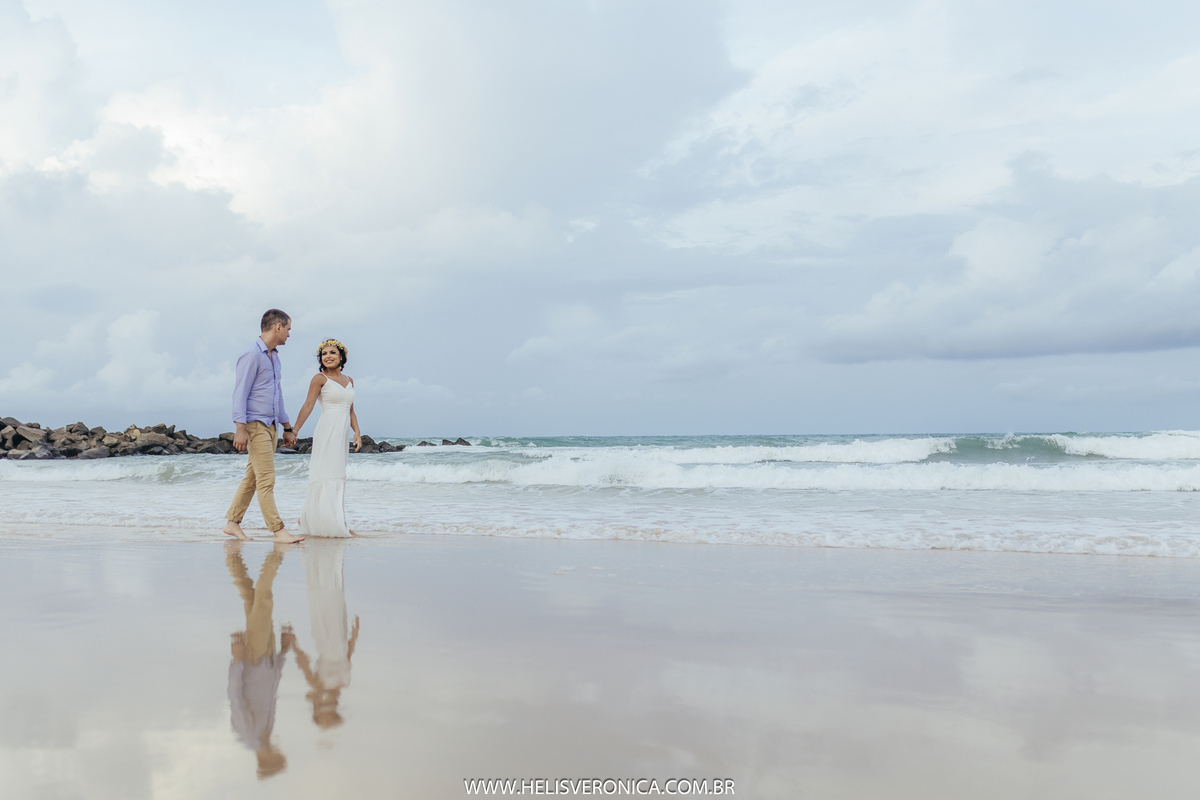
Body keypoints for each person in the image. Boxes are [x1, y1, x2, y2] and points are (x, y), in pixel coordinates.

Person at [223, 309, 303, 543]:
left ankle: (232, 523)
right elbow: (240, 394)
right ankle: (278, 531)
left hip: (271, 426)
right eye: (288, 329)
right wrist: (240, 428)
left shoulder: (274, 357)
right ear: (277, 327)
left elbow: (277, 394)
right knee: (267, 479)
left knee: (253, 477)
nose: (289, 334)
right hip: (254, 425)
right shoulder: (251, 355)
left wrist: (287, 427)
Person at [225, 541, 294, 779]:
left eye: (278, 756)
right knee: (252, 598)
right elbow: (272, 687)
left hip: (253, 656)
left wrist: (237, 659)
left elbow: (235, 694)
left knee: (262, 601)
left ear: (268, 760)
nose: (279, 750)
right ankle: (233, 560)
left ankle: (275, 556)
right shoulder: (265, 733)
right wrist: (283, 651)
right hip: (268, 655)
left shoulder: (247, 734)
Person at [292, 338, 362, 538]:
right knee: (325, 474)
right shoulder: (319, 379)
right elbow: (308, 405)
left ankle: (319, 518)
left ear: (341, 357)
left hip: (343, 432)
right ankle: (328, 521)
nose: (328, 356)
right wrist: (295, 430)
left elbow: (351, 410)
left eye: (332, 353)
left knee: (338, 475)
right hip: (327, 429)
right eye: (324, 354)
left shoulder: (350, 381)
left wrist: (357, 432)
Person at [290, 539, 360, 729]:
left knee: (325, 598)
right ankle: (328, 559)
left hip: (325, 637)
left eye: (325, 711)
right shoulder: (344, 682)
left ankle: (322, 560)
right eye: (330, 713)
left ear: (320, 706)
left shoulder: (317, 685)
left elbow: (304, 664)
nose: (327, 705)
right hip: (339, 638)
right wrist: (354, 635)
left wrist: (293, 644)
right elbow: (348, 656)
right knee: (335, 597)